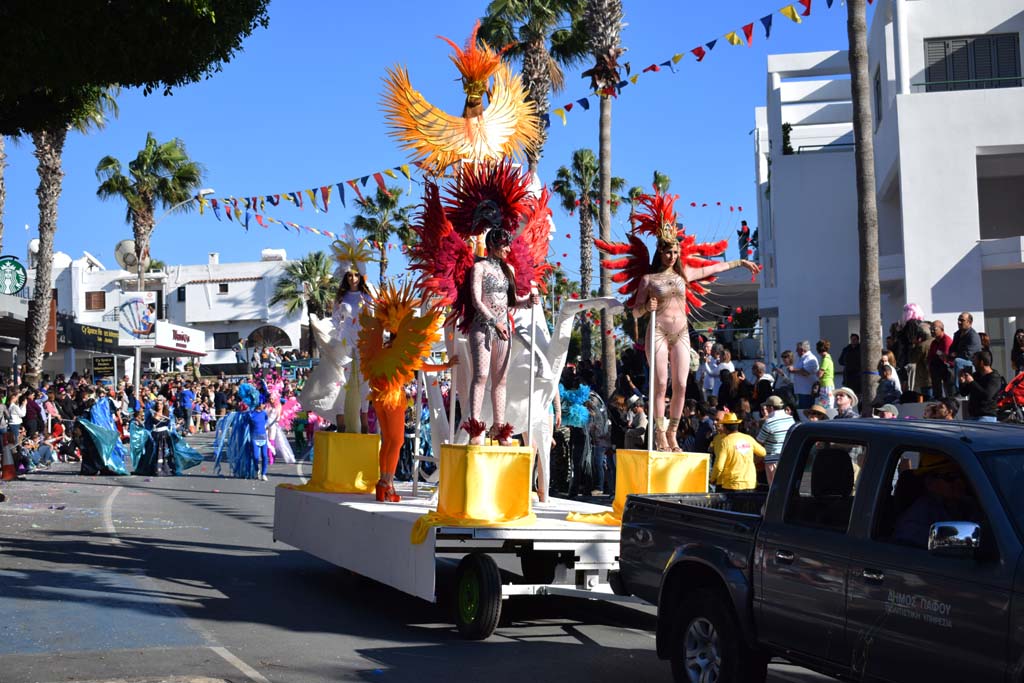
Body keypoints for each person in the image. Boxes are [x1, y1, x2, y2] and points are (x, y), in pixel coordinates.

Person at [628, 188, 759, 451]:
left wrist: (740, 263)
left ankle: (673, 433)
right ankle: (660, 433)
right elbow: (634, 311)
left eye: (675, 251)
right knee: (661, 383)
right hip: (657, 332)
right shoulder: (648, 280)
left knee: (681, 383)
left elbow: (713, 267)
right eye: (667, 252)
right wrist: (646, 307)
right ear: (660, 252)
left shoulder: (684, 274)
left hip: (682, 333)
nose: (672, 256)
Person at [463, 227, 539, 445]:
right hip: (482, 328)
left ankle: (499, 428)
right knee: (481, 376)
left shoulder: (509, 270)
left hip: (503, 329)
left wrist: (528, 302)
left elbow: (512, 302)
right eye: (504, 245)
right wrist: (493, 322)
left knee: (501, 380)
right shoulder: (479, 268)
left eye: (508, 244)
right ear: (493, 246)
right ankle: (475, 427)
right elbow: (477, 300)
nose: (508, 249)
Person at [892, 453, 975, 548]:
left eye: (963, 476)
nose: (960, 482)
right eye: (950, 477)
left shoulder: (968, 505)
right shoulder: (917, 521)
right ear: (930, 483)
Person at [710, 412, 766, 492]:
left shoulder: (725, 442)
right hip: (750, 483)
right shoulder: (748, 438)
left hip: (732, 485)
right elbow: (763, 452)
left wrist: (712, 479)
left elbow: (719, 466)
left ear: (725, 427)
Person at [756, 395, 795, 485]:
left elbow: (759, 441)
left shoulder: (769, 422)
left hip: (772, 460)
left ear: (771, 408)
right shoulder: (791, 419)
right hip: (787, 458)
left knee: (774, 489)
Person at [958, 350, 1002, 422]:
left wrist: (972, 382)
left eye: (974, 360)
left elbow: (987, 395)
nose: (973, 363)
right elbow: (964, 393)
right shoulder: (976, 375)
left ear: (981, 362)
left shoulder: (994, 377)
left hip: (986, 417)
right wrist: (962, 381)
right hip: (972, 416)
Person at [949, 312, 982, 388]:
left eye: (962, 320)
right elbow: (952, 349)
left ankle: (959, 391)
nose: (959, 322)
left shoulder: (973, 336)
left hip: (973, 363)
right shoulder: (957, 334)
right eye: (958, 320)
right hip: (960, 359)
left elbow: (968, 355)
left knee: (958, 361)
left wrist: (955, 355)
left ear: (969, 322)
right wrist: (948, 356)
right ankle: (939, 395)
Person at [788, 341, 820, 410]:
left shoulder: (811, 359)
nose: (796, 351)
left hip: (807, 392)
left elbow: (806, 372)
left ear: (802, 350)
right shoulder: (803, 358)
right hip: (802, 391)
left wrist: (793, 370)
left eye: (797, 349)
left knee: (805, 412)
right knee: (802, 412)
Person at [928, 320, 954, 399]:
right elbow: (930, 356)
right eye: (930, 329)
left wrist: (938, 355)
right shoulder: (934, 342)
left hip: (948, 368)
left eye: (934, 329)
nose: (932, 331)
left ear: (942, 329)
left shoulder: (946, 340)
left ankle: (950, 397)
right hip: (937, 368)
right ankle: (937, 396)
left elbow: (945, 357)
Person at [815, 339, 835, 409]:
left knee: (826, 406)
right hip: (827, 385)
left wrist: (816, 372)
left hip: (826, 385)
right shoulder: (828, 358)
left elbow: (820, 374)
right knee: (824, 405)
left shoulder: (825, 360)